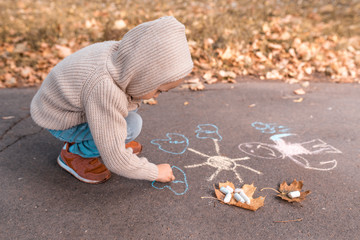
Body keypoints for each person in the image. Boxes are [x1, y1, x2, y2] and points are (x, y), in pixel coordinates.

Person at [30, 16, 193, 184]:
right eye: (158, 89)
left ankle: (104, 141)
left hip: (64, 104)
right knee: (132, 125)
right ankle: (75, 154)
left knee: (129, 105)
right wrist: (154, 172)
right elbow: (115, 161)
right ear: (144, 75)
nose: (157, 95)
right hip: (59, 119)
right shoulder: (104, 88)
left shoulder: (123, 58)